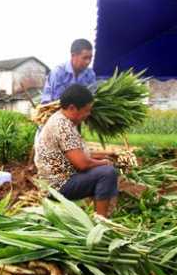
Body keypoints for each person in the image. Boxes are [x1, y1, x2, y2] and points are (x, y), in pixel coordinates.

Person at [35, 84, 118, 217]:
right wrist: (103, 162)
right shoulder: (62, 126)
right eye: (86, 110)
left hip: (63, 179)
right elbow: (82, 164)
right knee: (107, 173)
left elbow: (79, 154)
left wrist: (103, 157)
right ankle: (101, 222)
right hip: (58, 186)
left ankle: (104, 212)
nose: (88, 114)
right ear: (72, 108)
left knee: (105, 169)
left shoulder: (62, 120)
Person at [41, 39, 96, 104]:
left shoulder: (90, 74)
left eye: (90, 58)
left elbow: (92, 95)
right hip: (54, 108)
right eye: (85, 58)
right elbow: (57, 100)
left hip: (79, 108)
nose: (88, 62)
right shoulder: (58, 72)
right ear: (73, 56)